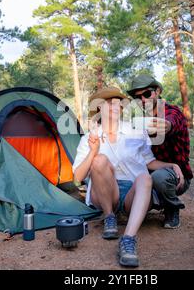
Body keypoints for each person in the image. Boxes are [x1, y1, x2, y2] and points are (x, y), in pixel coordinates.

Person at [72, 86, 184, 267]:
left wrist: (172, 165)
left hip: (133, 196)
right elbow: (78, 177)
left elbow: (149, 163)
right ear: (99, 107)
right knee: (99, 160)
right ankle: (109, 217)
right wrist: (93, 152)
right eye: (110, 103)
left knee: (145, 178)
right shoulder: (89, 137)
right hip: (106, 194)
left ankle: (128, 240)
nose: (116, 106)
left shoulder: (136, 131)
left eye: (119, 103)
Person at [127, 75, 193, 229]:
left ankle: (172, 207)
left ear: (157, 91)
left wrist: (167, 126)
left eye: (147, 94)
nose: (143, 100)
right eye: (138, 97)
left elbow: (172, 121)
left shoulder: (172, 112)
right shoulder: (141, 119)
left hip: (174, 175)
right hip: (150, 169)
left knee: (159, 177)